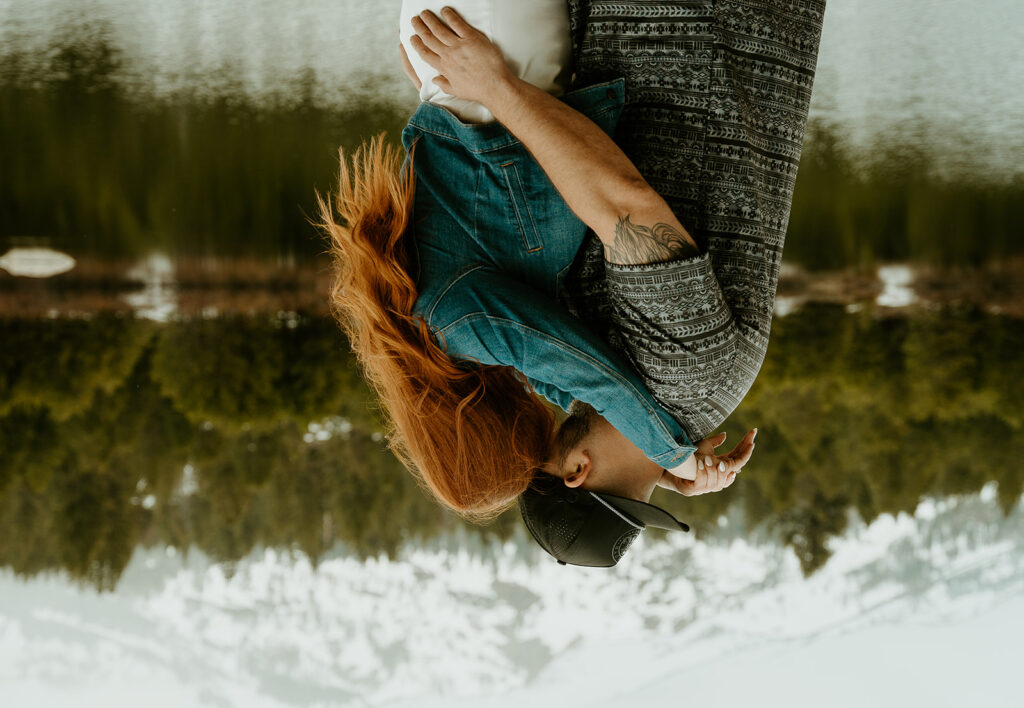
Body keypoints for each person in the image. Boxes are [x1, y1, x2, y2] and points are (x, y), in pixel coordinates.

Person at [317, 2, 824, 557]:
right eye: (546, 444)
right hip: (698, 22)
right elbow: (579, 360)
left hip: (548, 48)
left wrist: (668, 455)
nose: (547, 415)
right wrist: (664, 456)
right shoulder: (688, 381)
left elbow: (576, 372)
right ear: (577, 470)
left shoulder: (470, 329)